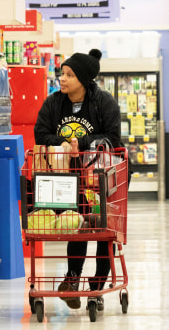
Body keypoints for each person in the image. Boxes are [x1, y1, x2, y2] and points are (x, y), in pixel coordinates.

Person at [33, 48, 122, 310]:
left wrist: (80, 142)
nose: (62, 79)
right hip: (67, 177)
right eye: (62, 73)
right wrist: (62, 142)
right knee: (77, 226)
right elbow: (41, 134)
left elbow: (113, 138)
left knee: (104, 232)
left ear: (83, 79)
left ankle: (96, 288)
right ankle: (71, 281)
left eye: (69, 75)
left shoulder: (104, 102)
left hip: (101, 176)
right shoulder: (53, 103)